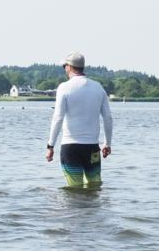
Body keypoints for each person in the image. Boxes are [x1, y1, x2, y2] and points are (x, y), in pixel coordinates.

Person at [46, 52, 113, 188]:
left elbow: (58, 118)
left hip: (71, 148)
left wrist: (50, 146)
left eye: (64, 66)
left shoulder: (64, 88)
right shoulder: (98, 87)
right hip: (92, 148)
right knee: (94, 188)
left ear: (69, 67)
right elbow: (108, 117)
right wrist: (107, 144)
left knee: (74, 190)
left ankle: (76, 210)